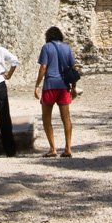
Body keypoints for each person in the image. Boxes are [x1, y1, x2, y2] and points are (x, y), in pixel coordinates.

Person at [35, 26, 78, 158]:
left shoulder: (47, 47)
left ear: (48, 36)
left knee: (46, 118)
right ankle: (68, 148)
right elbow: (73, 68)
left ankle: (53, 148)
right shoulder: (67, 48)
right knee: (66, 118)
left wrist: (37, 85)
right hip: (64, 86)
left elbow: (43, 67)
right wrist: (74, 87)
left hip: (50, 85)